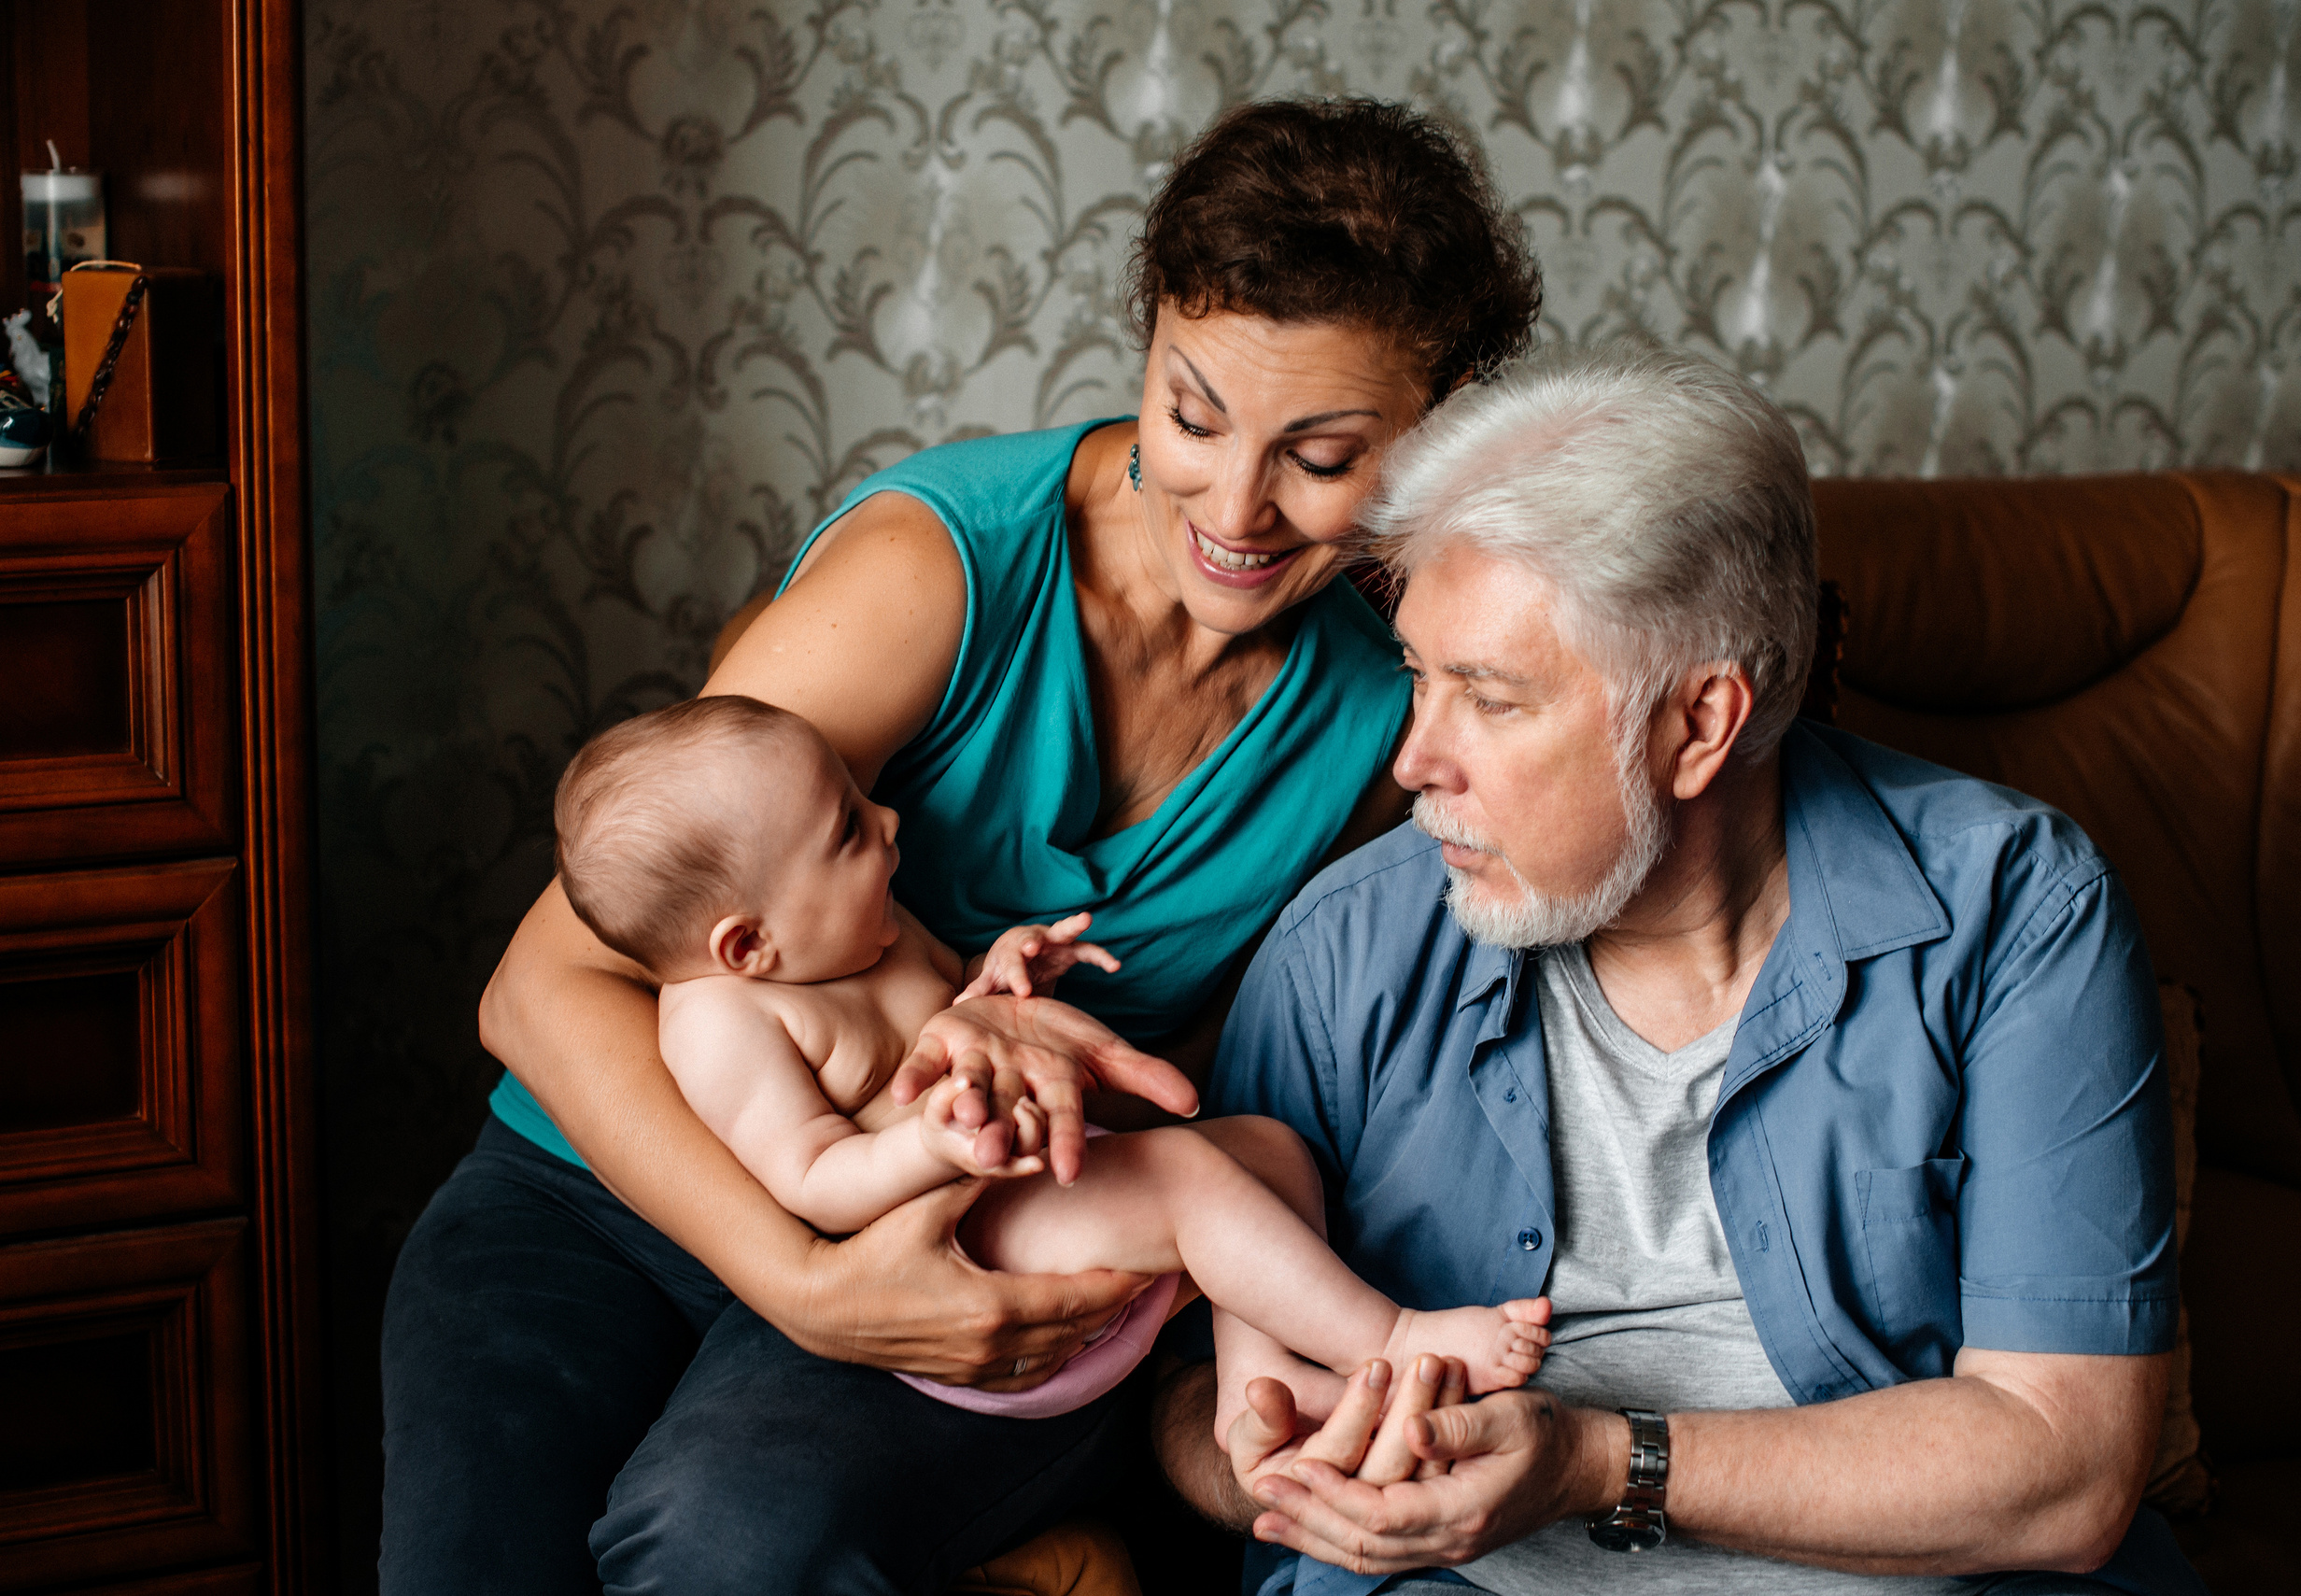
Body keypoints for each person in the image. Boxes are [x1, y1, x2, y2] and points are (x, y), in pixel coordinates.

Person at [383, 95, 1544, 1594]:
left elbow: (1225, 1059)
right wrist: (808, 1282)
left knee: (729, 1543)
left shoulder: (1395, 701)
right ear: (1148, 343)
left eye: (1320, 456)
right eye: (1194, 415)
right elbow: (541, 986)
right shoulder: (942, 570)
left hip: (996, 1228)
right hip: (602, 1183)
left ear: (1436, 431)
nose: (1237, 507)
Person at [1153, 343, 2203, 1596]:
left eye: (1491, 700)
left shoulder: (2020, 912)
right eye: (1418, 678)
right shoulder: (1345, 949)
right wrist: (1268, 1462)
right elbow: (1183, 1389)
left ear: (1700, 722)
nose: (1414, 761)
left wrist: (1598, 1462)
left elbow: (2068, 1467)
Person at [550, 692, 1551, 1420]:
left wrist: (1004, 975)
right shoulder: (721, 1024)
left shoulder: (862, 929)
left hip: (1046, 1188)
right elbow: (812, 1178)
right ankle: (1390, 1339)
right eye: (848, 828)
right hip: (962, 1253)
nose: (887, 818)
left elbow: (962, 1014)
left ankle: (1263, 1376)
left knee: (1270, 1148)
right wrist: (933, 1145)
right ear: (746, 945)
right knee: (1189, 1177)